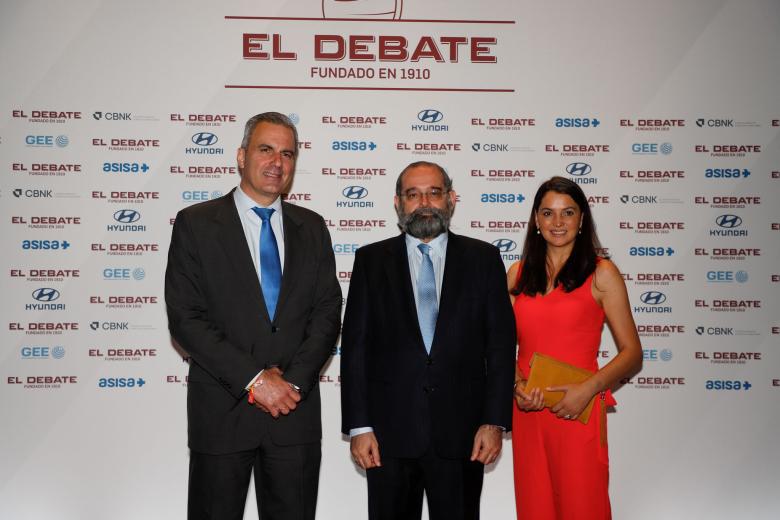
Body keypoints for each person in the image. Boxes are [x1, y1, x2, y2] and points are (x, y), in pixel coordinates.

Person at [165, 112, 342, 520]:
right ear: (241, 156)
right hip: (222, 414)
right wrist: (256, 380)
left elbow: (328, 312)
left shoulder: (312, 227)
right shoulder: (196, 224)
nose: (276, 162)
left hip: (293, 416)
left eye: (287, 153)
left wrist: (290, 384)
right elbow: (185, 319)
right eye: (265, 149)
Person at [340, 161, 517, 520]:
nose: (424, 202)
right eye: (413, 194)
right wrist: (360, 426)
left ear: (451, 199)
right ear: (398, 203)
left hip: (463, 436)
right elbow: (356, 350)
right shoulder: (371, 261)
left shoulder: (483, 259)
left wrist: (493, 422)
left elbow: (499, 347)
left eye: (434, 192)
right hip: (388, 439)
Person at [508, 176, 642, 520]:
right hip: (529, 413)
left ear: (582, 219)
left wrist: (588, 389)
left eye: (568, 213)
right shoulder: (517, 275)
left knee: (584, 507)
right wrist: (516, 386)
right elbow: (496, 346)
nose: (558, 222)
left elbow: (631, 352)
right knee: (534, 507)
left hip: (579, 411)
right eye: (548, 213)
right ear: (536, 220)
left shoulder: (602, 273)